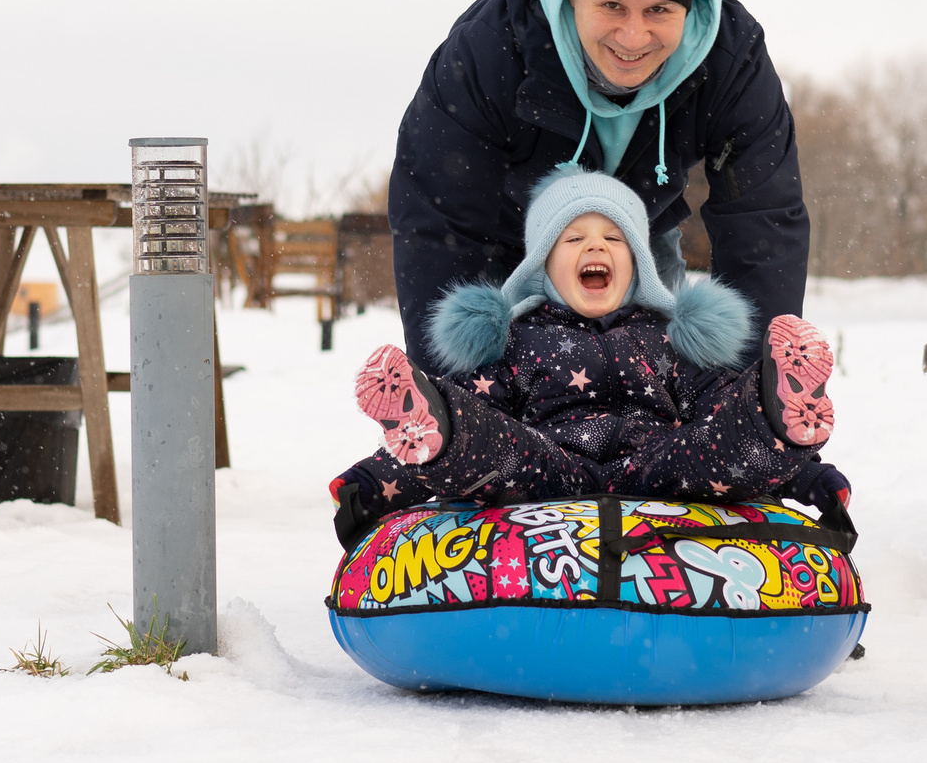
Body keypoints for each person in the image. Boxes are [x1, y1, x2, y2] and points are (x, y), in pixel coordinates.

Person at [388, 0, 807, 370]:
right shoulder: (489, 51)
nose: (633, 37)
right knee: (506, 400)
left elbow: (764, 220)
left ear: (687, 11)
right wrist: (448, 399)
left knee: (666, 390)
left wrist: (759, 397)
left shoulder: (732, 61)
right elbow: (438, 220)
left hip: (639, 242)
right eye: (611, 5)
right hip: (511, 244)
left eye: (659, 11)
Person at [329, 170, 846, 548]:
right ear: (543, 265)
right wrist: (372, 483)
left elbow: (718, 411)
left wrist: (808, 474)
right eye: (573, 238)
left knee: (720, 432)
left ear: (639, 262)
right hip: (547, 471)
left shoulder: (669, 338)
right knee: (487, 439)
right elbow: (480, 411)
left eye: (614, 238)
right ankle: (422, 414)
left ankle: (783, 417)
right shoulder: (515, 339)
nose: (594, 246)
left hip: (659, 471)